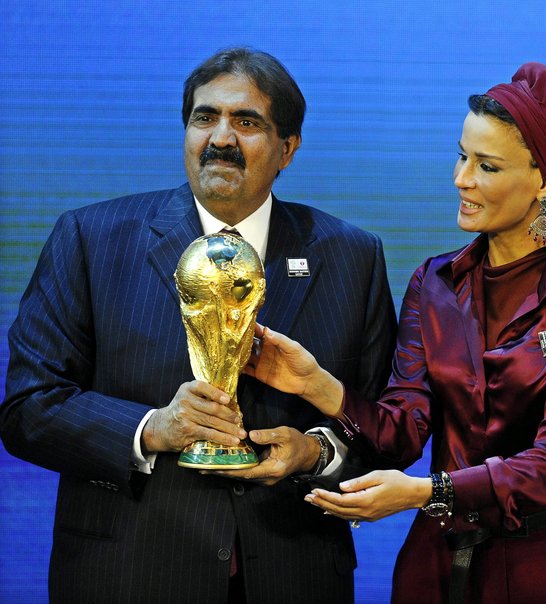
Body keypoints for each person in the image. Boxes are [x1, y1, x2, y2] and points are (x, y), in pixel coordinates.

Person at [0, 47, 396, 603]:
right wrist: (151, 429)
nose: (221, 138)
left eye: (247, 122)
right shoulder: (90, 240)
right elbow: (28, 408)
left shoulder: (352, 257)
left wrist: (316, 453)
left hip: (294, 575)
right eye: (204, 118)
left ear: (288, 148)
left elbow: (387, 425)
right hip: (129, 576)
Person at [243, 62, 546, 603]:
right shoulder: (433, 281)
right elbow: (403, 429)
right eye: (461, 155)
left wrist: (428, 492)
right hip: (436, 567)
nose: (461, 179)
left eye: (486, 166)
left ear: (543, 180)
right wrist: (317, 385)